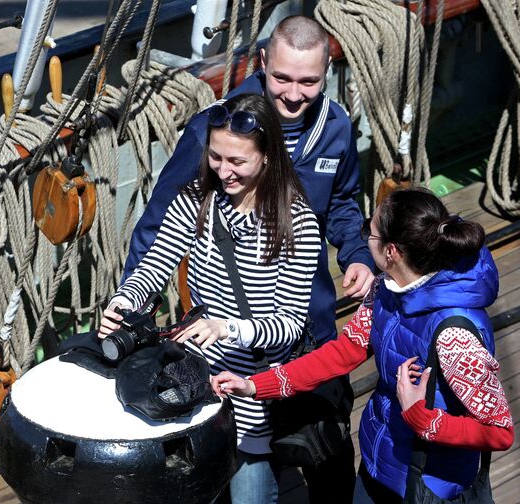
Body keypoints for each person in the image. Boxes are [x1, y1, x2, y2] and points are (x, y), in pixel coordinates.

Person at [123, 15, 372, 501]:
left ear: (326, 71)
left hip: (309, 328)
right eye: (281, 78)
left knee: (328, 460)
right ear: (262, 63)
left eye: (309, 81)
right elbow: (159, 229)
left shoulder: (336, 127)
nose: (295, 94)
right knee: (248, 466)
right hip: (231, 356)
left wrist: (357, 252)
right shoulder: (213, 135)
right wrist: (134, 310)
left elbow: (343, 200)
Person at [211, 188, 515, 502]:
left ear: (391, 252)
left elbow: (500, 431)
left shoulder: (455, 337)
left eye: (370, 230)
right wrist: (253, 386)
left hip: (428, 486)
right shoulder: (385, 290)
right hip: (378, 464)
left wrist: (422, 419)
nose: (365, 236)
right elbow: (341, 354)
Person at [99, 93, 321, 504]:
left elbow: (290, 325)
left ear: (268, 156)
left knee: (251, 494)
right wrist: (124, 303)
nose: (224, 171)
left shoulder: (296, 223)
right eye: (217, 157)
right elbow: (155, 266)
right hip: (196, 389)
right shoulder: (196, 200)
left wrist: (226, 328)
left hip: (254, 396)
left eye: (238, 161)